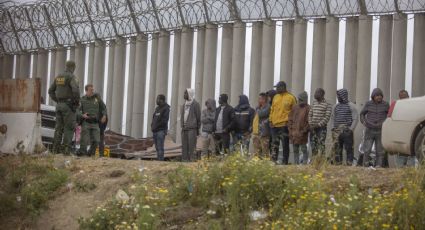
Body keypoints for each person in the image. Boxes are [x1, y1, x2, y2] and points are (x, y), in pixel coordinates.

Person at [48, 60, 80, 154]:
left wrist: (57, 100)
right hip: (68, 106)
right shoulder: (71, 77)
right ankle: (66, 150)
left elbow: (50, 91)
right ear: (73, 67)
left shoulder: (58, 77)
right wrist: (76, 102)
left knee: (58, 128)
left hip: (59, 106)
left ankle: (55, 149)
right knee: (69, 128)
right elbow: (75, 90)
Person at [360, 88, 389, 167]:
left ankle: (378, 166)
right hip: (369, 130)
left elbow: (389, 115)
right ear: (373, 96)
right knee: (367, 149)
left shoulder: (386, 104)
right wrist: (364, 122)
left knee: (380, 151)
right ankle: (365, 165)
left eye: (380, 95)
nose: (379, 97)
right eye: (377, 95)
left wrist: (384, 123)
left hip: (380, 130)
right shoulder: (368, 104)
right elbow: (362, 114)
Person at [269, 81, 297, 165]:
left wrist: (291, 123)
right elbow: (272, 109)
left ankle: (285, 162)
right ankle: (274, 161)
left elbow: (295, 111)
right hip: (274, 125)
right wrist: (270, 120)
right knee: (274, 144)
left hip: (284, 125)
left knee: (285, 144)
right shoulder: (275, 97)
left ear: (283, 87)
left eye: (277, 87)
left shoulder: (291, 97)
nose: (276, 89)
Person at [330, 89, 358, 165]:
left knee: (349, 148)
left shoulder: (351, 106)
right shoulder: (335, 106)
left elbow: (355, 118)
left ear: (343, 96)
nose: (338, 98)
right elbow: (332, 117)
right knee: (337, 148)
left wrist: (351, 129)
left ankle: (349, 163)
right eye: (337, 96)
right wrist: (332, 128)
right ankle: (338, 163)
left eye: (339, 96)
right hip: (336, 131)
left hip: (347, 130)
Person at [77, 84, 107, 156]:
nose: (92, 91)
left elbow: (104, 108)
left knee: (96, 140)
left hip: (95, 123)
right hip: (86, 122)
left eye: (93, 90)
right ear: (86, 91)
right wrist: (82, 115)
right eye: (91, 90)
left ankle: (90, 153)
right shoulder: (82, 100)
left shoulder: (97, 99)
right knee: (84, 140)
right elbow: (77, 111)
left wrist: (104, 115)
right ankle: (82, 154)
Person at [308, 88, 332, 157]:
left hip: (321, 128)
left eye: (317, 93)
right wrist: (310, 124)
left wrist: (318, 125)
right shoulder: (314, 102)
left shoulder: (327, 104)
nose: (315, 94)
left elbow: (327, 117)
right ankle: (314, 161)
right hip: (312, 127)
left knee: (321, 144)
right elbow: (310, 114)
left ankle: (322, 160)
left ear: (322, 94)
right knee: (313, 145)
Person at [288, 91, 310, 164]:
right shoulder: (295, 107)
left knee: (304, 148)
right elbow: (290, 119)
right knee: (295, 149)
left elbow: (309, 121)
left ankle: (304, 162)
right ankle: (296, 163)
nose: (299, 101)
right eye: (299, 99)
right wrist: (290, 130)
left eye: (301, 99)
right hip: (294, 132)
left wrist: (304, 130)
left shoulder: (308, 108)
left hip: (302, 133)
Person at [181, 89, 201, 162]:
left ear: (189, 94)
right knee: (184, 146)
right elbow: (182, 116)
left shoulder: (195, 104)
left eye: (185, 93)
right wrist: (182, 125)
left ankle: (192, 160)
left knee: (192, 146)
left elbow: (198, 117)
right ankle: (184, 160)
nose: (184, 95)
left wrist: (197, 128)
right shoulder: (184, 105)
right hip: (184, 128)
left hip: (192, 128)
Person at [151, 94, 170, 161]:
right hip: (155, 131)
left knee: (160, 147)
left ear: (161, 100)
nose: (156, 100)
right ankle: (158, 160)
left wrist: (157, 126)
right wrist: (152, 126)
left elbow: (164, 120)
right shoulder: (157, 108)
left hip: (161, 131)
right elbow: (154, 118)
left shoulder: (166, 108)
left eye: (158, 99)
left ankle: (160, 161)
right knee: (157, 148)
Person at [252, 93, 270, 159]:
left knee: (265, 149)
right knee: (256, 150)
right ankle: (257, 163)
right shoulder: (257, 107)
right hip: (256, 131)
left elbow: (262, 114)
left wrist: (258, 109)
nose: (258, 100)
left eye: (259, 98)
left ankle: (266, 163)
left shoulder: (268, 107)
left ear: (264, 99)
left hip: (264, 132)